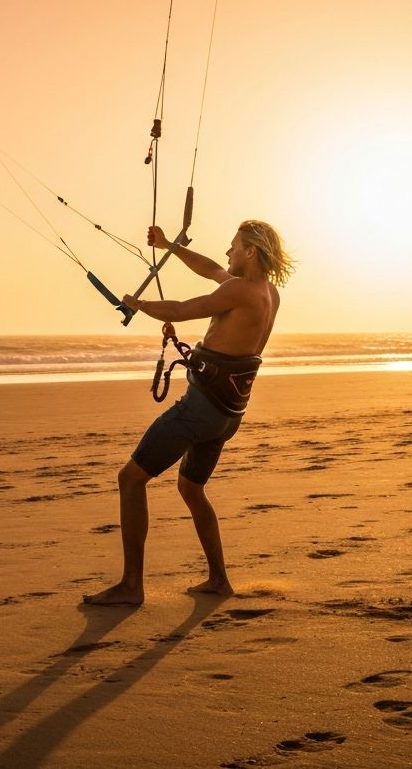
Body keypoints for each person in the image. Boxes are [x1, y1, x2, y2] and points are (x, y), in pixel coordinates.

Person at [83, 220, 294, 604]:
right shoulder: (267, 292)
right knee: (191, 488)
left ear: (250, 252)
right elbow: (210, 269)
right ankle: (218, 580)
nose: (227, 252)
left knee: (130, 478)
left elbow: (183, 309)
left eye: (234, 246)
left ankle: (131, 586)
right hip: (228, 414)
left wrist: (140, 305)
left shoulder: (239, 291)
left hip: (202, 409)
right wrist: (169, 245)